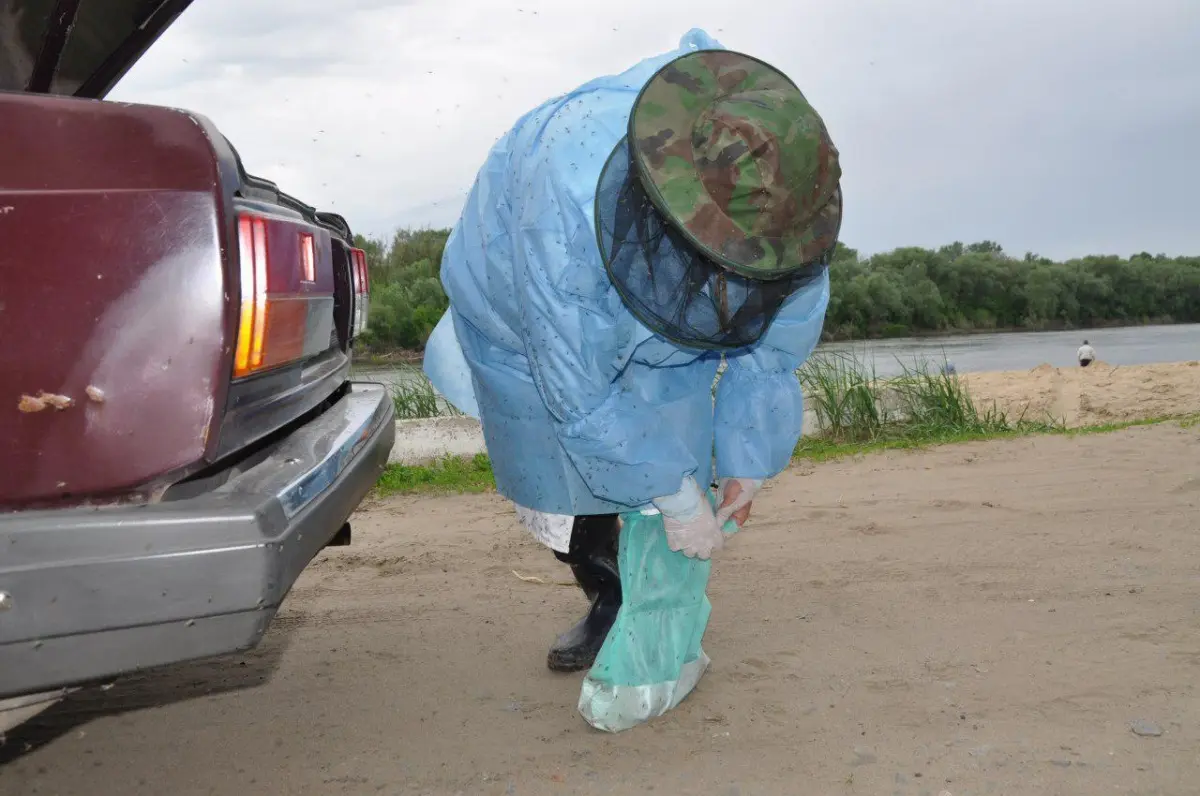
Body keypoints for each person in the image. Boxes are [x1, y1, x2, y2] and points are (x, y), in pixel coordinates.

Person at [423, 29, 840, 672]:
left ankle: (649, 592)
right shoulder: (561, 197)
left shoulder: (784, 194)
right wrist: (675, 501)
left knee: (673, 450)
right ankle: (606, 587)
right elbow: (579, 397)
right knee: (562, 480)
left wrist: (746, 459)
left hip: (607, 295)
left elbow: (776, 349)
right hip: (523, 312)